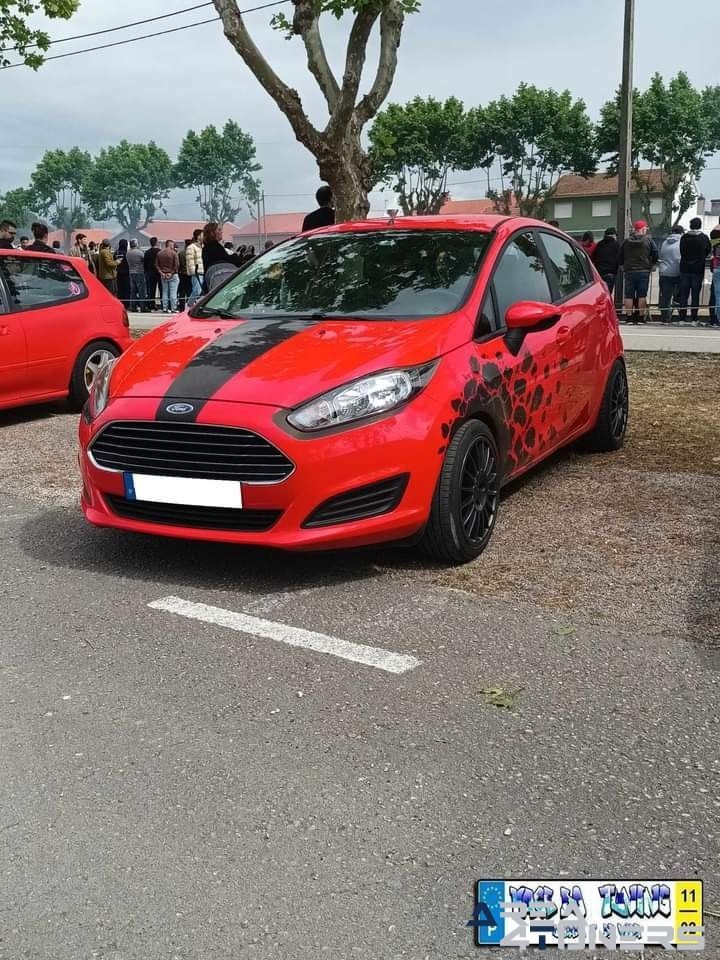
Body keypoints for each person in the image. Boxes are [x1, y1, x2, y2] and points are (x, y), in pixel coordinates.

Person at [617, 220, 658, 323]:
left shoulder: (626, 241)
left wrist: (622, 265)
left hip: (629, 271)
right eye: (645, 229)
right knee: (642, 295)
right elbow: (655, 253)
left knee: (629, 295)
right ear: (643, 229)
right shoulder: (648, 241)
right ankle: (640, 317)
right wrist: (652, 264)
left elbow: (620, 255)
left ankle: (629, 317)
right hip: (644, 271)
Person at [677, 216, 711, 324]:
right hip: (698, 269)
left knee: (684, 295)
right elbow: (708, 251)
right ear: (700, 226)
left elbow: (681, 251)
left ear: (690, 225)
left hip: (684, 268)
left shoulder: (684, 237)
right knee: (695, 295)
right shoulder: (704, 238)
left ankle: (682, 318)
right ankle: (694, 318)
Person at [656, 225, 684, 324]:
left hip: (664, 272)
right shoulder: (682, 242)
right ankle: (681, 317)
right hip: (677, 272)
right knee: (680, 295)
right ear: (681, 233)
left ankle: (665, 318)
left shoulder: (664, 242)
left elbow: (661, 255)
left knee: (665, 296)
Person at [591, 226, 620, 294]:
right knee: (608, 294)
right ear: (613, 235)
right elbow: (619, 258)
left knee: (600, 294)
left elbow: (594, 257)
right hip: (610, 273)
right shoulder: (616, 245)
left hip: (599, 273)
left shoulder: (599, 244)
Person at [156, 239, 180, 313]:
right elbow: (177, 265)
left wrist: (161, 272)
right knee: (173, 292)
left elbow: (156, 264)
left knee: (165, 292)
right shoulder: (174, 253)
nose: (173, 246)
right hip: (173, 275)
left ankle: (164, 308)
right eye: (172, 245)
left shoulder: (159, 253)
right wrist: (171, 273)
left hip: (163, 275)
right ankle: (173, 308)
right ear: (170, 245)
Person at [126, 239, 147, 312]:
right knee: (141, 290)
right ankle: (142, 307)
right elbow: (144, 260)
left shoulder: (128, 253)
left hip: (131, 272)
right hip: (139, 272)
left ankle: (133, 307)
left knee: (133, 291)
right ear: (136, 244)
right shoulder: (139, 252)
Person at [185, 228, 204, 306]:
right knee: (197, 290)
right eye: (203, 235)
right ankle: (190, 304)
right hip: (197, 272)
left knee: (202, 291)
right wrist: (193, 272)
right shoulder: (191, 247)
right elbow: (190, 261)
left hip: (204, 271)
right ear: (198, 236)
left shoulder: (203, 247)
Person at [143, 237, 161, 311]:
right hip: (159, 272)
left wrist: (146, 271)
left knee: (151, 290)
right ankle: (163, 304)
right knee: (161, 289)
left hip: (150, 273)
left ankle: (151, 304)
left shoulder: (147, 252)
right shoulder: (160, 251)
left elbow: (145, 263)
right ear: (156, 242)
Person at [710, 220, 720, 326]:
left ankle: (718, 319)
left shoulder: (714, 233)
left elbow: (713, 247)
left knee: (718, 295)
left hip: (717, 266)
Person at [115, 238, 130, 308]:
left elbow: (114, 261)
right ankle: (127, 304)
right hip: (127, 273)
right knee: (127, 289)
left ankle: (120, 303)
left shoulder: (116, 252)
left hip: (119, 273)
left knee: (120, 289)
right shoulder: (127, 253)